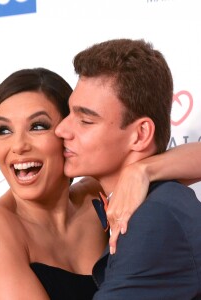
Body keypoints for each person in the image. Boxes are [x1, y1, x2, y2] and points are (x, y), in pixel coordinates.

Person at [0, 67, 201, 300]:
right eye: (3, 130)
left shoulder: (94, 196)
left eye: (38, 126)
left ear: (67, 134)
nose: (18, 146)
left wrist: (143, 170)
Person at [55, 38, 201, 299]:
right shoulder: (153, 203)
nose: (62, 129)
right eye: (69, 113)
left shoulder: (154, 218)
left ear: (140, 134)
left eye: (86, 120)